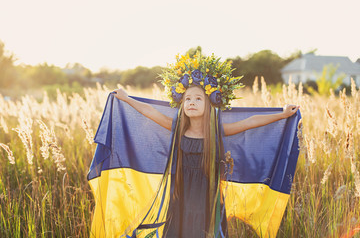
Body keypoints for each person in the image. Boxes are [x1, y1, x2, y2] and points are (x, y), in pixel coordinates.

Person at [112, 53, 299, 237]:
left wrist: (282, 115)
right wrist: (127, 98)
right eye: (187, 99)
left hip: (207, 199)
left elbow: (250, 122)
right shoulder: (178, 130)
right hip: (181, 196)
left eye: (198, 99)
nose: (191, 102)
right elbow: (150, 112)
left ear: (209, 104)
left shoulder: (216, 133)